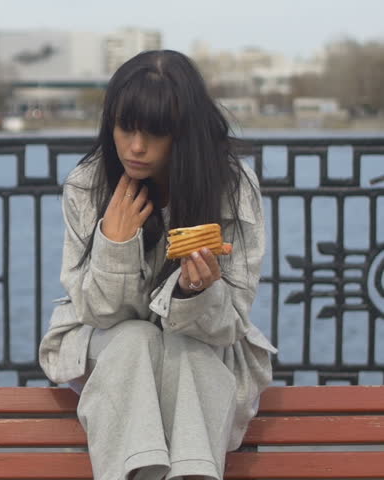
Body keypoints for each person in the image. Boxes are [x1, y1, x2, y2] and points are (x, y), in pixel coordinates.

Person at [38, 50, 278, 480]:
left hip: (204, 351)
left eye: (154, 133)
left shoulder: (232, 188)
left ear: (184, 134)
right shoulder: (89, 185)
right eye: (124, 127)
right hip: (110, 347)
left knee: (188, 353)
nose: (135, 146)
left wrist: (195, 294)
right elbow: (98, 315)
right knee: (134, 341)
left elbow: (232, 323)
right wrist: (114, 244)